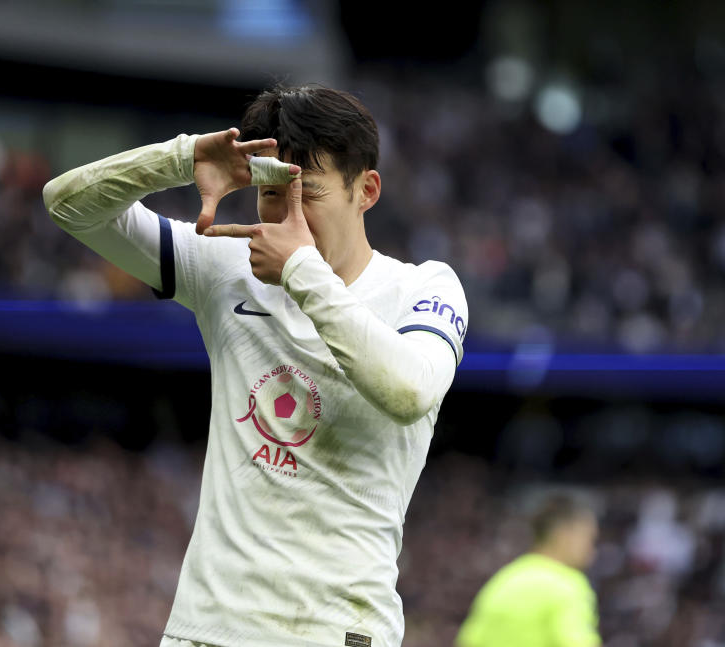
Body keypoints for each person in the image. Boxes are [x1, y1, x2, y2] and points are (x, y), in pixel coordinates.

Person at [43, 85, 468, 647]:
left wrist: (300, 270)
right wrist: (181, 158)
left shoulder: (424, 288)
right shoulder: (226, 267)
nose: (282, 214)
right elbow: (68, 204)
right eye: (270, 192)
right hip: (204, 629)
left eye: (306, 193)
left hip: (332, 632)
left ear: (366, 190)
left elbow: (410, 391)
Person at [455, 494, 602, 647]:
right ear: (564, 535)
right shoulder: (567, 586)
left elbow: (467, 641)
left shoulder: (502, 582)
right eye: (590, 539)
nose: (593, 551)